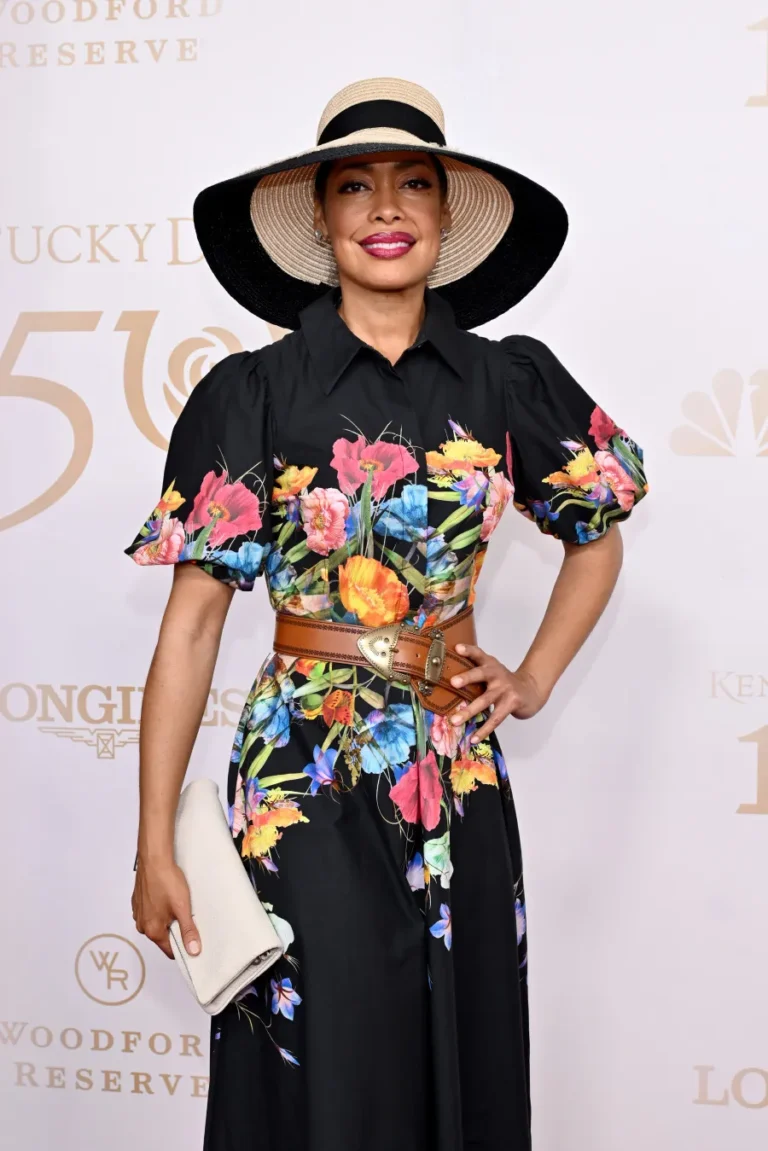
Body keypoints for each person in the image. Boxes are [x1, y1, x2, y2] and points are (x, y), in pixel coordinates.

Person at [127, 76, 648, 1151]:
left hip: (457, 762)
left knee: (464, 1040)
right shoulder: (250, 390)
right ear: (321, 217)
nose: (385, 207)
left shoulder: (509, 380)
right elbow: (189, 627)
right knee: (327, 1054)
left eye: (414, 182)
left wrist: (536, 675)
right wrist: (151, 843)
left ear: (446, 214)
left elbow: (595, 533)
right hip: (302, 772)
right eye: (354, 185)